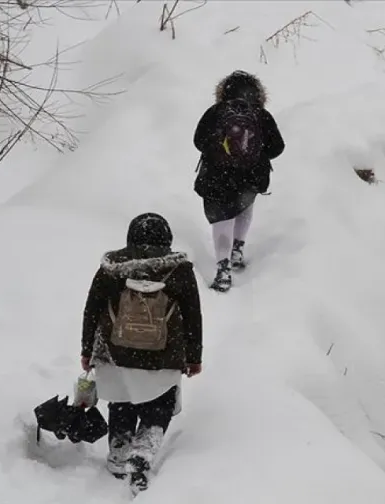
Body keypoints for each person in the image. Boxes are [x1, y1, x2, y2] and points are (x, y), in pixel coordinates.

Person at [80, 212, 203, 494]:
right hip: (164, 355)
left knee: (121, 401)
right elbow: (193, 316)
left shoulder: (112, 268)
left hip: (115, 353)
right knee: (159, 403)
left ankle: (119, 452)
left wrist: (87, 349)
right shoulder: (180, 270)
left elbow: (92, 310)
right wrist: (194, 357)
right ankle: (144, 450)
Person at [193, 70, 285, 292]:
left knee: (221, 220)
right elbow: (277, 147)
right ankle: (237, 249)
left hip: (216, 177)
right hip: (250, 177)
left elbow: (198, 141)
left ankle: (223, 269)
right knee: (244, 206)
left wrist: (220, 154)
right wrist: (254, 155)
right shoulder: (261, 115)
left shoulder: (215, 112)